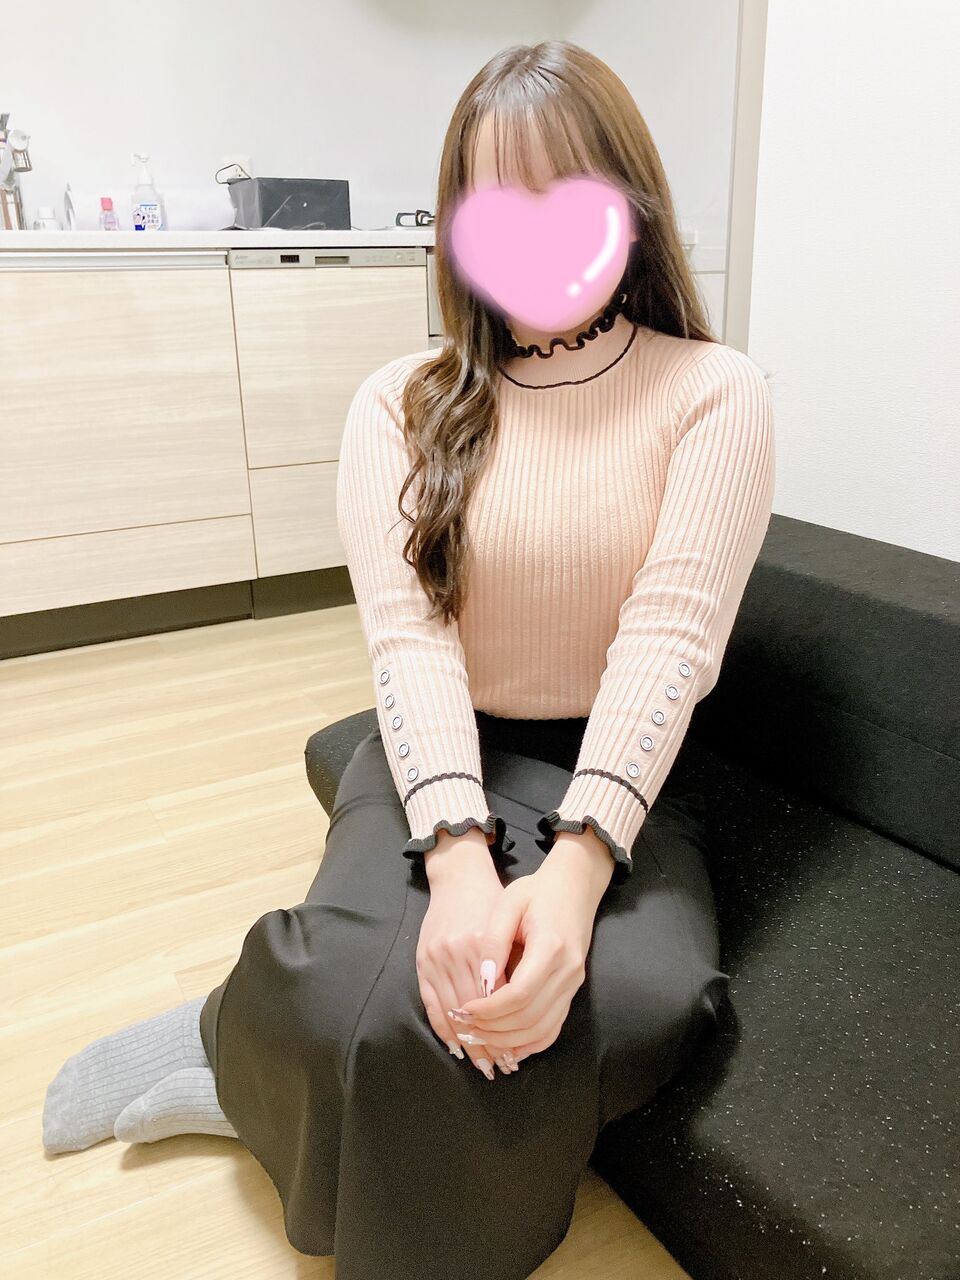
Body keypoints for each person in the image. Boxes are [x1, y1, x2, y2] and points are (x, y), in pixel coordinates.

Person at [41, 39, 775, 1280]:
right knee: (368, 992)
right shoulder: (401, 399)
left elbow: (671, 640)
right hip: (446, 746)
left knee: (640, 1001)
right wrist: (459, 855)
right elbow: (409, 638)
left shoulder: (716, 392)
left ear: (633, 209)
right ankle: (233, 1036)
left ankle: (274, 1075)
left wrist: (576, 871)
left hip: (617, 764)